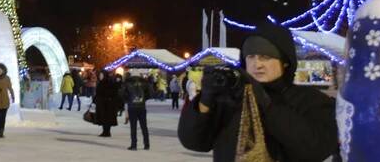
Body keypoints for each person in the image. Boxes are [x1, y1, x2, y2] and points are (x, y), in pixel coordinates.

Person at [178, 21, 339, 161]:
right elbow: (193, 142)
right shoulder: (230, 100)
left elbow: (316, 149)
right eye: (251, 57)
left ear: (285, 62)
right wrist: (205, 100)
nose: (257, 64)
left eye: (265, 57)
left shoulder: (311, 101)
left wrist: (267, 105)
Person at [124, 74, 151, 150]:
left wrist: (128, 99)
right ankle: (147, 144)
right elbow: (150, 93)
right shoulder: (144, 82)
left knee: (133, 127)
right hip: (141, 107)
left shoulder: (127, 82)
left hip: (132, 107)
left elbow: (122, 93)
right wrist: (143, 99)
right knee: (144, 126)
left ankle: (134, 145)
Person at [94, 70, 119, 136]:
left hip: (106, 104)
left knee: (106, 118)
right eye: (100, 75)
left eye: (101, 75)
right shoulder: (102, 82)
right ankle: (105, 131)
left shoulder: (106, 83)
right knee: (105, 117)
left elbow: (113, 92)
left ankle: (106, 131)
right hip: (104, 103)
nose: (100, 76)